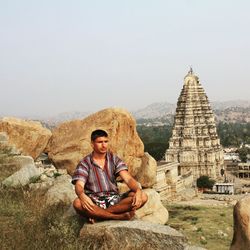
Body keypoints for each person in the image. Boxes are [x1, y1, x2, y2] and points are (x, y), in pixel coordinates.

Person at [72, 129, 148, 223]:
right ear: (92, 144)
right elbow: (79, 185)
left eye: (106, 141)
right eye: (100, 142)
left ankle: (100, 215)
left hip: (114, 199)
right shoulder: (85, 163)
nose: (104, 145)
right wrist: (81, 195)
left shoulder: (114, 159)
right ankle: (117, 217)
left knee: (143, 197)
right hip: (94, 200)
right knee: (77, 203)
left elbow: (128, 179)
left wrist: (138, 190)